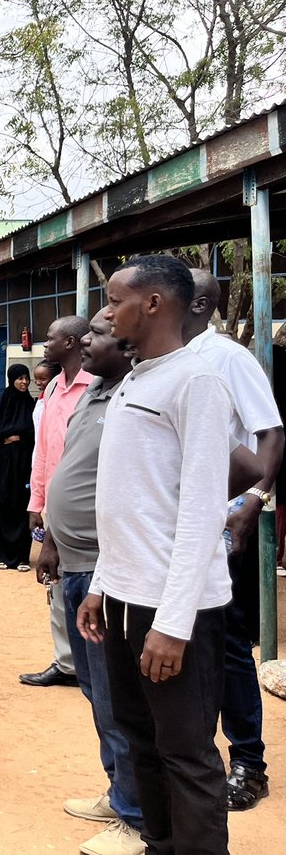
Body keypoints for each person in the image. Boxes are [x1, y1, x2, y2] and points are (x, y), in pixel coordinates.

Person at [78, 255, 233, 854]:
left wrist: (173, 624)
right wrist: (102, 585)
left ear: (154, 304)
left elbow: (200, 513)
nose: (107, 312)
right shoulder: (136, 379)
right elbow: (131, 505)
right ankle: (159, 845)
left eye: (115, 300)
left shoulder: (197, 381)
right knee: (140, 739)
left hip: (176, 610)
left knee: (187, 752)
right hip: (123, 598)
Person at [36, 310, 145, 855]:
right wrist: (52, 537)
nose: (86, 344)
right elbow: (66, 471)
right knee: (94, 691)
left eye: (98, 335)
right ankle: (118, 790)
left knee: (116, 696)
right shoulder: (94, 397)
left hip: (107, 572)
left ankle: (135, 815)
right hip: (74, 564)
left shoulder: (141, 396)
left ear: (128, 346)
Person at [184, 269, 283, 812]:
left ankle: (248, 762)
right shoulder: (168, 361)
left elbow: (270, 432)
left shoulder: (227, 358)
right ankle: (198, 757)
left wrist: (255, 502)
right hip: (181, 525)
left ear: (196, 303)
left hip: (222, 521)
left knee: (228, 641)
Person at [23, 315, 93, 688]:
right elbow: (44, 452)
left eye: (50, 338)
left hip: (86, 507)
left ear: (71, 343)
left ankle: (92, 665)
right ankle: (67, 662)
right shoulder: (52, 390)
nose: (43, 343)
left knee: (87, 584)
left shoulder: (95, 387)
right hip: (55, 504)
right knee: (55, 584)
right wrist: (37, 501)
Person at [0, 364, 35, 570]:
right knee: (6, 505)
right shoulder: (2, 402)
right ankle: (2, 555)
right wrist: (13, 435)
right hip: (5, 466)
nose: (24, 382)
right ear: (11, 379)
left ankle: (22, 556)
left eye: (26, 378)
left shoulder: (30, 404)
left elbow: (34, 433)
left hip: (24, 463)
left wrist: (15, 437)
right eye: (20, 378)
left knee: (23, 506)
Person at [31, 359, 61, 442]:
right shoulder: (41, 399)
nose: (37, 382)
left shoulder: (57, 400)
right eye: (35, 379)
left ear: (55, 378)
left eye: (42, 379)